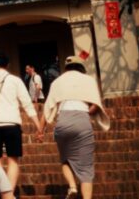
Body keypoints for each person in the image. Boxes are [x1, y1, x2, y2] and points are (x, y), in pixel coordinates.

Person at [40, 55, 110, 199]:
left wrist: (40, 130)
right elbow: (96, 105)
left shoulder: (57, 82)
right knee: (86, 169)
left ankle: (72, 187)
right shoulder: (89, 80)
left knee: (65, 159)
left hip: (63, 120)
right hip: (82, 120)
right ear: (81, 67)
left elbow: (47, 108)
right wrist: (86, 112)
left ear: (66, 68)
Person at [0, 53, 43, 192]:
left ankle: (1, 191)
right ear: (8, 65)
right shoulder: (14, 80)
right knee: (13, 160)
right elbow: (27, 103)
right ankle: (9, 193)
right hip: (12, 123)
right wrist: (38, 126)